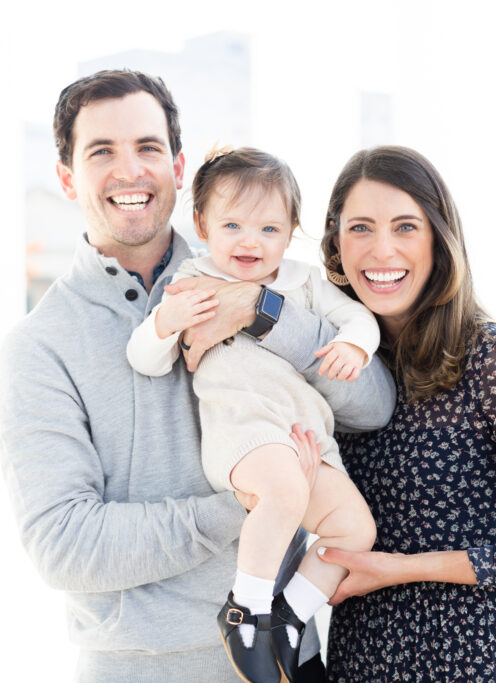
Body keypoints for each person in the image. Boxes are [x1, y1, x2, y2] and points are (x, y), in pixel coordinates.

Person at [0, 70, 396, 683]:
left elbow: (372, 404)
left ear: (179, 169)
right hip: (142, 670)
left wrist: (264, 314)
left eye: (148, 148)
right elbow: (65, 544)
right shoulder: (39, 347)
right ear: (67, 177)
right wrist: (260, 495)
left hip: (289, 660)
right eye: (102, 151)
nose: (130, 171)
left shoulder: (266, 268)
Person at [313, 146, 496, 682]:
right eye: (360, 228)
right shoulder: (333, 358)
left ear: (439, 239)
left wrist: (400, 570)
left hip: (469, 659)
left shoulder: (494, 360)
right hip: (359, 660)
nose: (382, 250)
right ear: (335, 241)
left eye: (405, 226)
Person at [127, 145, 378, 683]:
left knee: (355, 529)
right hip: (243, 435)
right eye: (233, 224)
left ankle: (286, 618)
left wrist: (355, 346)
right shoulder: (192, 281)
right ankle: (245, 609)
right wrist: (164, 324)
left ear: (290, 232)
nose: (249, 241)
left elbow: (358, 319)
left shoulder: (305, 282)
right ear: (202, 224)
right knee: (283, 492)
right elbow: (145, 360)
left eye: (269, 229)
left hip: (306, 438)